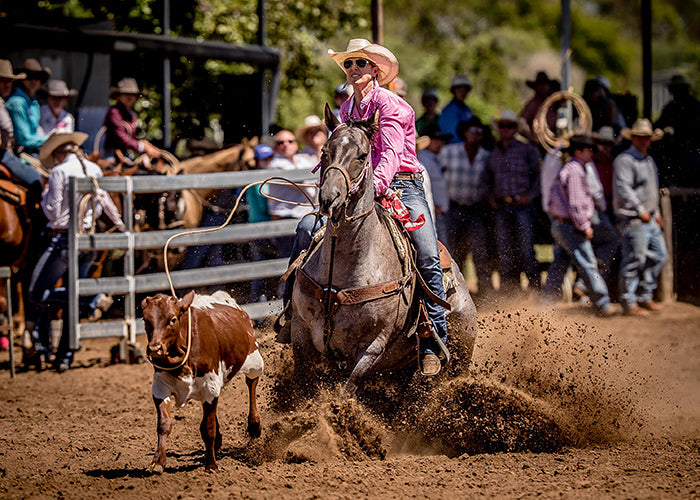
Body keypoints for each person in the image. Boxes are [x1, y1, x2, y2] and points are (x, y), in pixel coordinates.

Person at [279, 38, 447, 376]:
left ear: (375, 70)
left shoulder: (394, 107)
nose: (353, 69)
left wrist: (377, 188)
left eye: (360, 64)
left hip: (403, 184)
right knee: (306, 230)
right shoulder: (347, 111)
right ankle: (291, 312)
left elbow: (390, 156)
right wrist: (334, 182)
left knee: (427, 253)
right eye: (349, 65)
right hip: (357, 187)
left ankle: (433, 336)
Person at [28, 131, 125, 372]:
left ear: (61, 154)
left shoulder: (59, 172)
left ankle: (92, 298)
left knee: (37, 292)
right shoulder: (95, 170)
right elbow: (102, 207)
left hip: (64, 240)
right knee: (74, 290)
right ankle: (65, 356)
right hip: (88, 240)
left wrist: (44, 193)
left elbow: (51, 211)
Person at [542, 136, 616, 316]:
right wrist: (584, 226)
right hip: (571, 226)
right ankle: (603, 303)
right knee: (588, 263)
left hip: (562, 224)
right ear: (578, 151)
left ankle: (545, 302)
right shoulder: (575, 170)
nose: (591, 153)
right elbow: (575, 203)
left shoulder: (570, 167)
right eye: (588, 150)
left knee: (560, 262)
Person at [613, 119, 667, 317]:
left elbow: (653, 189)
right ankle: (629, 300)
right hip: (635, 218)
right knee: (634, 259)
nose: (644, 141)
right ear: (634, 138)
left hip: (650, 218)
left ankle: (644, 295)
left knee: (659, 255)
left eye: (646, 138)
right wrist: (640, 209)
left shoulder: (648, 160)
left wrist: (656, 212)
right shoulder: (625, 160)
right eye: (641, 137)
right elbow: (623, 189)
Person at [485, 109, 542, 292]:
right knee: (505, 252)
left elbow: (539, 178)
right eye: (503, 126)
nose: (506, 129)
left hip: (522, 207)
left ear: (516, 129)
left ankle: (534, 290)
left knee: (526, 250)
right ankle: (510, 293)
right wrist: (490, 196)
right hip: (502, 207)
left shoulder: (526, 149)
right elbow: (488, 179)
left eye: (510, 126)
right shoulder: (494, 152)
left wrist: (530, 197)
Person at [439, 117, 493, 294]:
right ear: (464, 132)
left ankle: (485, 291)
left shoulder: (486, 156)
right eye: (472, 131)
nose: (475, 135)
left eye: (479, 132)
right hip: (452, 209)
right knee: (450, 250)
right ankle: (452, 292)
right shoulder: (448, 152)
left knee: (480, 251)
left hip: (475, 210)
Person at [266, 129, 317, 259]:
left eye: (290, 141)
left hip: (304, 217)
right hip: (286, 218)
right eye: (281, 142)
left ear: (295, 144)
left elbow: (315, 171)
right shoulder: (276, 164)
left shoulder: (300, 160)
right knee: (289, 259)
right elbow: (303, 178)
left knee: (305, 259)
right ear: (275, 147)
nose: (286, 144)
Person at [0, 60, 43, 197]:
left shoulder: (32, 102)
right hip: (3, 152)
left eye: (9, 80)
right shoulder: (15, 102)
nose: (7, 84)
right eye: (2, 80)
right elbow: (7, 128)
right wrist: (5, 145)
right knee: (37, 180)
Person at [654, 74, 700, 188]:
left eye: (678, 89)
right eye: (674, 89)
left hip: (694, 147)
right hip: (675, 149)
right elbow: (658, 125)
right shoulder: (670, 107)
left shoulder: (695, 105)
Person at [247, 144, 278, 304]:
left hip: (260, 228)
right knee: (263, 268)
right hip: (262, 229)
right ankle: (258, 306)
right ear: (257, 161)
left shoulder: (261, 178)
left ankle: (261, 305)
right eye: (264, 158)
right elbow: (264, 206)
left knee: (263, 268)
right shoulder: (260, 180)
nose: (267, 161)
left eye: (269, 157)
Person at [103, 77, 160, 160]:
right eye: (126, 94)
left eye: (132, 94)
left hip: (127, 154)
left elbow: (131, 138)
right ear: (119, 96)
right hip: (113, 155)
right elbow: (121, 136)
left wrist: (144, 145)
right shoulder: (114, 112)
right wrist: (141, 146)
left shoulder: (132, 115)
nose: (129, 97)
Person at [6, 58, 51, 155]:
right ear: (22, 79)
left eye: (37, 77)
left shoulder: (34, 102)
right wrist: (52, 140)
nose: (34, 81)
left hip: (33, 149)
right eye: (30, 76)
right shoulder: (17, 102)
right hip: (20, 151)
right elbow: (24, 139)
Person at [416, 124, 450, 243]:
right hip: (434, 211)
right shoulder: (423, 160)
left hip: (439, 211)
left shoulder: (434, 158)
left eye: (440, 140)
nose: (439, 144)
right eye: (435, 140)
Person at [520, 71, 559, 143]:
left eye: (545, 85)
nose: (543, 88)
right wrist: (531, 137)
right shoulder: (532, 104)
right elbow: (520, 123)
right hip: (538, 142)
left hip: (554, 141)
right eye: (540, 85)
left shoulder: (554, 103)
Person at [439, 75, 473, 143]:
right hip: (452, 146)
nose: (462, 93)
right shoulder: (447, 111)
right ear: (453, 91)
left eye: (465, 90)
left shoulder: (468, 110)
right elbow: (451, 135)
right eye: (459, 90)